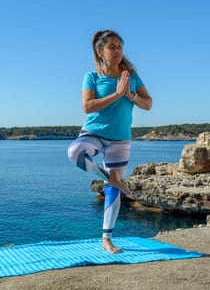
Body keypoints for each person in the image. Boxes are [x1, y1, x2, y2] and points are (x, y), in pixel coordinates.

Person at [67, 30, 152, 253]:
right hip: (94, 133)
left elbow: (148, 104)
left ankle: (107, 239)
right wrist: (116, 94)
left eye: (119, 46)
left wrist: (130, 95)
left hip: (120, 139)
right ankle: (113, 178)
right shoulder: (92, 76)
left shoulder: (132, 77)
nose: (117, 50)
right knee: (75, 153)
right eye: (112, 47)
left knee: (112, 193)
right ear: (100, 51)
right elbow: (87, 106)